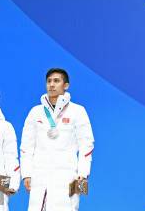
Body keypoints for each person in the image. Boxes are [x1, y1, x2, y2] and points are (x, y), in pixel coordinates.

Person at [20, 68, 94, 211]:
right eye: (49, 81)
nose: (51, 85)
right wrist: (27, 174)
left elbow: (86, 145)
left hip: (66, 175)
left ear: (66, 85)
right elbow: (26, 146)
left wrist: (83, 173)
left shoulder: (77, 111)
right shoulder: (36, 112)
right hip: (40, 175)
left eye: (56, 81)